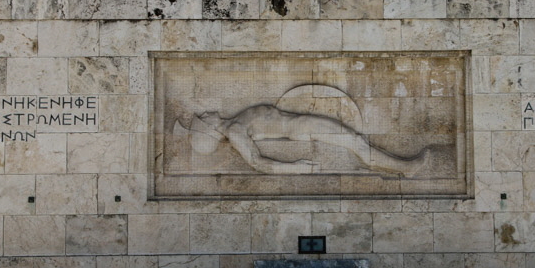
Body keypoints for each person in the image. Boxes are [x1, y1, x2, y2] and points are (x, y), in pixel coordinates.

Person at [177, 105, 430, 177]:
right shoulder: (234, 131)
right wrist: (295, 168)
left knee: (356, 142)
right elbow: (256, 162)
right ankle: (405, 168)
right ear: (210, 128)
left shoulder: (236, 123)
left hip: (301, 124)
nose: (205, 113)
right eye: (203, 118)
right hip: (301, 127)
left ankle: (401, 167)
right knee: (357, 143)